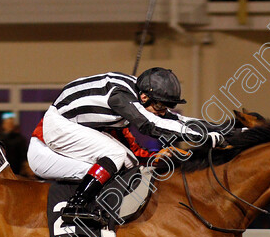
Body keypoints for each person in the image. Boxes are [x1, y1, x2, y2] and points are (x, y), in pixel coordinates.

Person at [28, 67, 226, 226]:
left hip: (64, 127)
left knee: (127, 162)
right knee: (114, 154)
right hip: (49, 138)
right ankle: (75, 207)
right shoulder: (120, 99)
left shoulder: (132, 99)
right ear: (144, 98)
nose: (161, 112)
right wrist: (208, 139)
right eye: (159, 107)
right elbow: (152, 125)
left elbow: (177, 121)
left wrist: (226, 130)